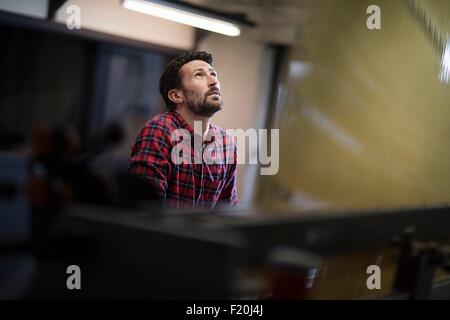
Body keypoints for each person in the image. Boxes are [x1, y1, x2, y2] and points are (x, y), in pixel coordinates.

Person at [129, 51, 238, 210]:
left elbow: (228, 209)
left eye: (213, 74)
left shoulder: (226, 142)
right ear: (176, 95)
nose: (213, 81)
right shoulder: (160, 131)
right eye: (199, 75)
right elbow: (146, 210)